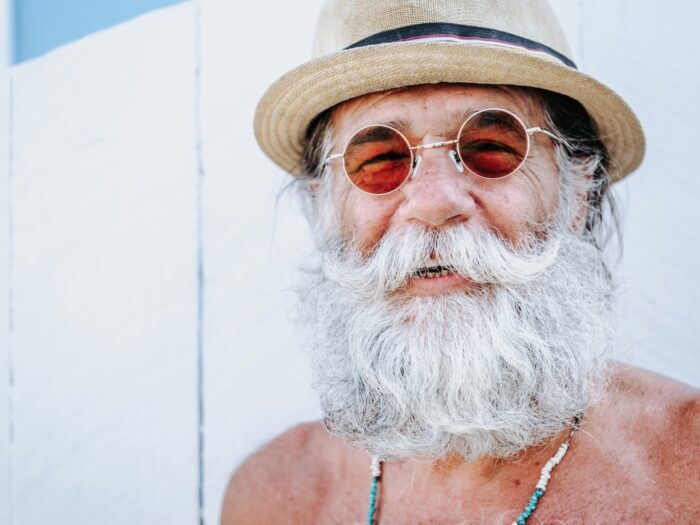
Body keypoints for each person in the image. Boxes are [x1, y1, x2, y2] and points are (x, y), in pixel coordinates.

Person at [223, 0, 700, 523]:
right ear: (323, 207)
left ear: (578, 192)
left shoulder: (685, 477)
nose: (433, 201)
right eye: (380, 159)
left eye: (490, 147)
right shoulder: (275, 497)